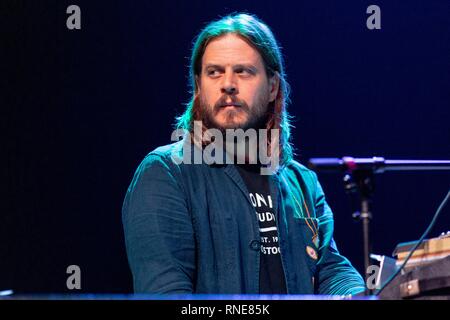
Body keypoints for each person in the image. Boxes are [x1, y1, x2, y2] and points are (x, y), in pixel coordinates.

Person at [122, 13, 365, 295]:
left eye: (243, 71)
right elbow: (166, 292)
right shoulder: (165, 173)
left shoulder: (302, 182)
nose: (228, 84)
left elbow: (332, 271)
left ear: (273, 87)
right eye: (214, 72)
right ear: (199, 88)